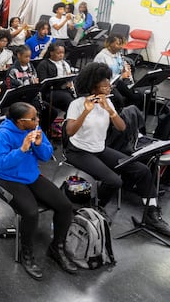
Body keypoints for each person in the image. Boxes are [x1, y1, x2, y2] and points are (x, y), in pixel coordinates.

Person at [65, 63, 170, 236]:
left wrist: (109, 110)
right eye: (105, 85)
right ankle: (95, 208)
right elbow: (70, 131)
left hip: (99, 148)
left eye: (109, 84)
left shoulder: (108, 102)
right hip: (78, 151)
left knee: (142, 170)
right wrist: (85, 112)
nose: (110, 86)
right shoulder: (77, 104)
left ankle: (151, 213)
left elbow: (121, 128)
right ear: (93, 86)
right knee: (114, 181)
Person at [0, 102, 76, 280]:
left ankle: (56, 247)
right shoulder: (2, 135)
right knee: (30, 213)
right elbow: (2, 164)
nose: (38, 120)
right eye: (33, 118)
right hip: (8, 178)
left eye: (37, 116)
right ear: (20, 122)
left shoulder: (35, 128)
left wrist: (38, 144)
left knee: (65, 206)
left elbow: (46, 157)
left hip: (30, 175)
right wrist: (22, 149)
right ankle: (27, 253)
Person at [4, 45, 58, 134]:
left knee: (52, 112)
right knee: (35, 114)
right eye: (26, 57)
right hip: (21, 100)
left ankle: (42, 130)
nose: (28, 59)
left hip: (33, 97)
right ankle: (34, 133)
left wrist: (36, 83)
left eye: (29, 57)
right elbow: (11, 88)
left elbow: (35, 79)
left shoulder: (31, 66)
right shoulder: (12, 70)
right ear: (19, 55)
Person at [93, 33, 142, 109]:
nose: (121, 47)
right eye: (118, 44)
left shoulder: (117, 54)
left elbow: (119, 69)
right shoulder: (102, 57)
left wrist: (124, 69)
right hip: (106, 85)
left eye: (122, 44)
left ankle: (129, 113)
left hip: (117, 82)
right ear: (110, 43)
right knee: (119, 100)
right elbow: (102, 77)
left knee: (136, 96)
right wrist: (122, 76)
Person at [36, 42, 75, 112]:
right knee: (67, 99)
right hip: (51, 91)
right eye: (58, 53)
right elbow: (43, 84)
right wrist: (61, 84)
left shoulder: (66, 63)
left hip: (65, 89)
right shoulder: (44, 64)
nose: (61, 55)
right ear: (51, 53)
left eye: (63, 53)